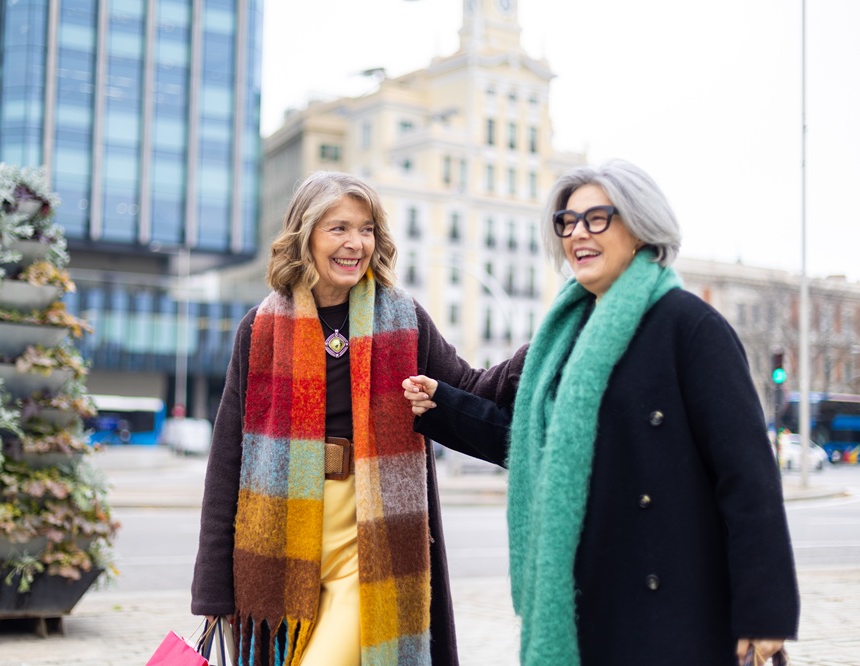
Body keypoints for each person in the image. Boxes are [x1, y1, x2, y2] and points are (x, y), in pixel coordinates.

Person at [402, 159, 800, 666]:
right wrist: (442, 405)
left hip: (675, 602)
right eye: (567, 222)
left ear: (639, 228)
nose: (577, 234)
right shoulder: (562, 337)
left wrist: (764, 614)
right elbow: (529, 442)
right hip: (589, 598)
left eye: (597, 218)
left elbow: (747, 477)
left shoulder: (690, 327)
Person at [190, 171, 521, 666]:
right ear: (305, 235)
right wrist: (213, 589)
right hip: (280, 545)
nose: (355, 243)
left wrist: (541, 352)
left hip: (370, 537)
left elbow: (474, 388)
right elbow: (227, 459)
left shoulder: (404, 319)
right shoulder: (260, 328)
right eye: (338, 228)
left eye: (366, 229)